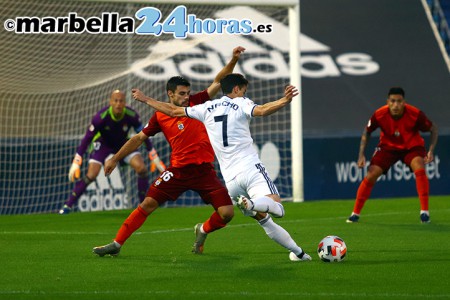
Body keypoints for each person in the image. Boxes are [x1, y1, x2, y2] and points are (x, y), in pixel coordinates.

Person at [131, 73, 312, 262]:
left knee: (265, 220)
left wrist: (146, 99)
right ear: (236, 89)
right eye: (243, 90)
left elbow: (172, 111)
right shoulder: (242, 103)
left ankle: (299, 253)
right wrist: (285, 100)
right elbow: (263, 110)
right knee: (278, 208)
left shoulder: (206, 107)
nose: (244, 94)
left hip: (231, 182)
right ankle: (252, 203)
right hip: (250, 168)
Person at [92, 46, 246, 257]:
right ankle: (116, 244)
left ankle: (202, 229)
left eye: (187, 93)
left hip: (204, 172)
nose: (186, 97)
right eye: (181, 94)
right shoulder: (159, 116)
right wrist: (115, 158)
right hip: (178, 172)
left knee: (227, 214)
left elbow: (219, 81)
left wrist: (233, 60)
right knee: (147, 203)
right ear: (170, 94)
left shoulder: (197, 103)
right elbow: (138, 138)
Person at [59, 90, 166, 214]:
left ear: (125, 103)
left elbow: (144, 135)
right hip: (103, 144)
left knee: (142, 169)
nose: (118, 104)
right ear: (110, 102)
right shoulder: (101, 117)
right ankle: (68, 205)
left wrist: (154, 156)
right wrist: (76, 161)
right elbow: (87, 138)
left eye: (121, 101)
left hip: (122, 144)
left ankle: (142, 207)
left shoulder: (132, 115)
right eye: (115, 101)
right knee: (92, 174)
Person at [346, 87, 438, 223]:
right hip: (388, 147)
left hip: (411, 146)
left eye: (399, 101)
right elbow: (367, 131)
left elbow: (433, 129)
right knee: (371, 173)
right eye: (393, 101)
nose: (396, 105)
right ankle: (355, 214)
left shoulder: (415, 114)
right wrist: (361, 155)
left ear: (404, 102)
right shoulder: (379, 114)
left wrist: (430, 150)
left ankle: (424, 212)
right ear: (387, 101)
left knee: (419, 165)